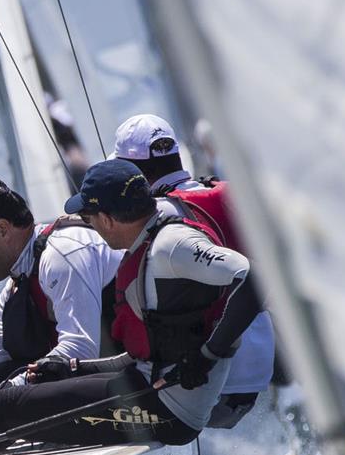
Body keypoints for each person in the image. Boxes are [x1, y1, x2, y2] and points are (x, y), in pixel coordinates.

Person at [0, 159, 266, 450]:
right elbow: (145, 354)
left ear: (107, 219)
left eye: (89, 218)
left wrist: (208, 355)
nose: (88, 225)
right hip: (147, 384)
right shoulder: (145, 244)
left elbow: (254, 277)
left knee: (0, 408)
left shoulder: (171, 245)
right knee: (4, 383)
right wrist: (71, 368)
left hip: (170, 412)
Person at [111, 113, 275, 427]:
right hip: (259, 358)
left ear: (132, 172)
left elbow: (105, 234)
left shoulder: (156, 215)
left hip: (214, 370)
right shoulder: (228, 191)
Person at [0, 172, 122, 414]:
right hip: (88, 385)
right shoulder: (15, 287)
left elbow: (81, 349)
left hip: (131, 387)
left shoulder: (62, 254)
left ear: (3, 229)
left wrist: (7, 394)